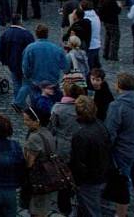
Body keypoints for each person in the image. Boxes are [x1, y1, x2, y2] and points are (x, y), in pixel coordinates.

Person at [105, 73, 134, 217]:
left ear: (118, 85)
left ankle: (121, 214)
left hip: (122, 151)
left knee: (122, 184)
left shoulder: (117, 105)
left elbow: (110, 131)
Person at [69, 96, 110, 217]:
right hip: (102, 174)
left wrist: (76, 181)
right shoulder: (101, 125)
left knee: (91, 211)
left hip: (89, 180)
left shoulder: (81, 135)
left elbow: (78, 163)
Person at [49, 82, 84, 215]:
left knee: (63, 176)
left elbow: (51, 128)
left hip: (62, 147)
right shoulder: (81, 108)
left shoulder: (58, 108)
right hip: (79, 146)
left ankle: (64, 206)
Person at [14, 24, 67, 108]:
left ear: (36, 34)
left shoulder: (29, 48)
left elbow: (25, 67)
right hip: (52, 82)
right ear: (47, 34)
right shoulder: (57, 48)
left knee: (37, 107)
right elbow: (65, 67)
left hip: (36, 83)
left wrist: (28, 76)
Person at [22, 105, 55, 217]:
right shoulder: (47, 132)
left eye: (27, 120)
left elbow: (29, 163)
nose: (25, 122)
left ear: (37, 121)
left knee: (37, 210)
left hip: (39, 179)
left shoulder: (34, 138)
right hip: (48, 176)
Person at [0, 15, 34, 100]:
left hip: (12, 63)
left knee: (16, 83)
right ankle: (22, 101)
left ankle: (17, 100)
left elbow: (1, 49)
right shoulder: (27, 34)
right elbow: (32, 50)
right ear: (20, 21)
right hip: (24, 63)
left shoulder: (5, 33)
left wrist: (3, 60)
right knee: (27, 83)